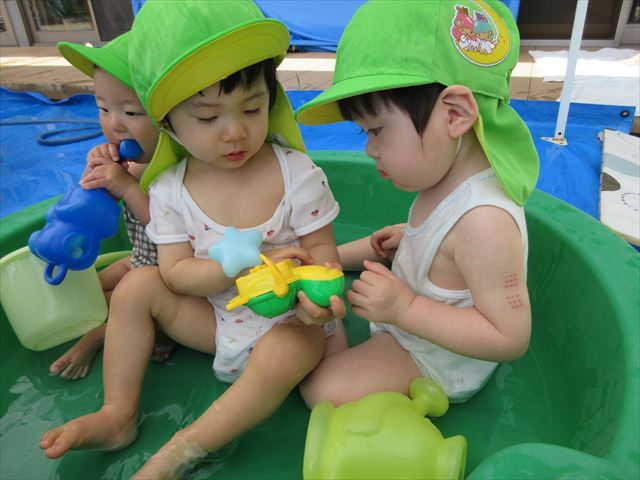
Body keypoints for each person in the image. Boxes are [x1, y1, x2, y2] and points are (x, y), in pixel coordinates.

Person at [39, 1, 346, 477]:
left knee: (289, 349)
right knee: (136, 287)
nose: (235, 131)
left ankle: (184, 447)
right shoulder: (169, 190)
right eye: (207, 118)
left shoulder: (297, 174)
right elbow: (176, 274)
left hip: (291, 323)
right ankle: (118, 414)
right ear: (166, 122)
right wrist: (231, 266)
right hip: (216, 319)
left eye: (252, 108)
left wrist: (316, 296)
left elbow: (324, 252)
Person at [296, 0, 539, 407]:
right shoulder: (444, 173)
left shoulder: (486, 223)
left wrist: (404, 308)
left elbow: (509, 337)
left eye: (376, 130)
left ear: (455, 115)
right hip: (407, 318)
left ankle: (329, 321)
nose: (370, 150)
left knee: (319, 390)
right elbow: (446, 235)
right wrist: (412, 241)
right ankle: (322, 268)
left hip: (436, 356)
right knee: (351, 260)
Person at [48, 33, 173, 380]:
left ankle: (101, 336)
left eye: (130, 112)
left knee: (129, 304)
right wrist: (99, 174)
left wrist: (127, 186)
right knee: (86, 294)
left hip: (171, 279)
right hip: (140, 260)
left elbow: (169, 230)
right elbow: (95, 208)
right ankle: (112, 323)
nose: (114, 124)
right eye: (103, 109)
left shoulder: (177, 169)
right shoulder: (130, 162)